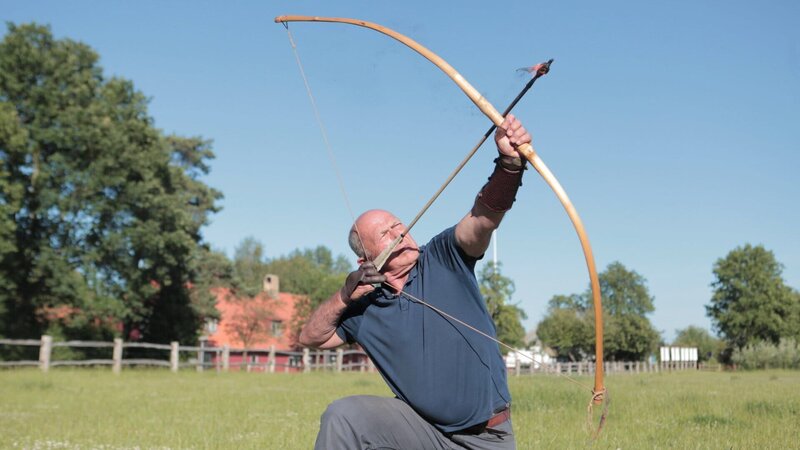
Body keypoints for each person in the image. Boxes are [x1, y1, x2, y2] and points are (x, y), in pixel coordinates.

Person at [299, 114, 532, 449]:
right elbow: (309, 337)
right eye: (386, 233)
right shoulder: (363, 306)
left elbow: (482, 219)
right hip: (421, 432)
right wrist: (344, 295)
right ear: (364, 260)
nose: (401, 233)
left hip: (486, 437)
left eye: (399, 225)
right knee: (343, 415)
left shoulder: (443, 257)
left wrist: (510, 164)